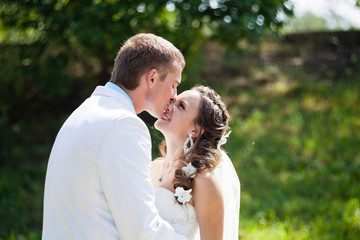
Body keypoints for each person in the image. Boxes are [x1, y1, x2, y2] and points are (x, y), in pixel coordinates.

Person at [42, 33, 188, 239]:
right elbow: (142, 229)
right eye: (174, 84)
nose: (174, 96)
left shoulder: (84, 112)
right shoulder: (123, 125)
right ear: (152, 78)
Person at [151, 85, 241, 240]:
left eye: (181, 105)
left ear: (196, 130)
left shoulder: (204, 181)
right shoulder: (153, 166)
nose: (169, 105)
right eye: (173, 100)